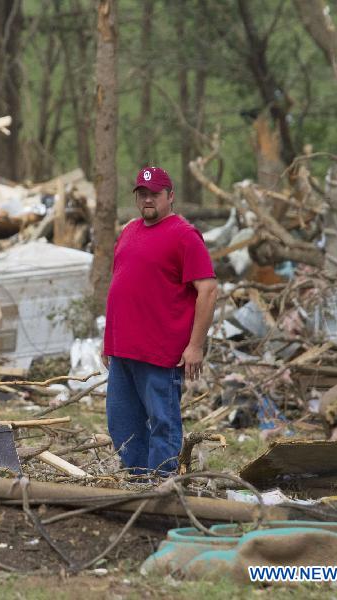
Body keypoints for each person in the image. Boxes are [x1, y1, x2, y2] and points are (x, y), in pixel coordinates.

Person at [102, 166, 218, 477]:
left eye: (155, 193)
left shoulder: (184, 236)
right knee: (122, 423)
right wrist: (107, 340)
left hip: (160, 352)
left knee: (163, 423)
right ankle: (137, 481)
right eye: (142, 194)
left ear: (170, 196)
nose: (148, 199)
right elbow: (121, 286)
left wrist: (195, 346)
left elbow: (207, 290)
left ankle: (162, 484)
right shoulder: (129, 231)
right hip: (123, 349)